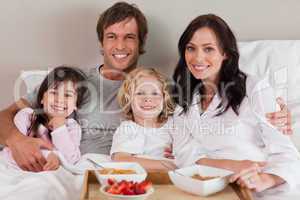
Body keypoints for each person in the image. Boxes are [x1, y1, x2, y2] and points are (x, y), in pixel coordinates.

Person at [0, 1, 292, 172]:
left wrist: (274, 116)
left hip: (138, 174)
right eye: (112, 36)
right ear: (101, 43)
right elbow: (5, 115)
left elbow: (208, 120)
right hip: (81, 169)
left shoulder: (163, 88)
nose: (120, 46)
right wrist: (17, 140)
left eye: (130, 37)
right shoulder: (71, 82)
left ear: (141, 44)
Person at [172, 14, 300, 197]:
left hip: (257, 189)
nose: (198, 58)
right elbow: (185, 156)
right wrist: (233, 166)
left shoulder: (255, 88)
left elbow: (287, 154)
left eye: (208, 49)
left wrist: (266, 179)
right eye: (191, 48)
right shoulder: (182, 99)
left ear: (225, 53)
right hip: (206, 188)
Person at [0, 66, 88, 171]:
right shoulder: (27, 116)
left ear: (75, 105)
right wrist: (49, 155)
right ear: (42, 98)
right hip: (13, 170)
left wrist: (59, 127)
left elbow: (72, 159)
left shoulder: (72, 126)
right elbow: (11, 152)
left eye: (67, 95)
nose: (59, 100)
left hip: (47, 176)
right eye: (54, 93)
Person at [110, 68, 179, 171]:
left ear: (164, 99)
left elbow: (186, 151)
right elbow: (120, 159)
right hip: (140, 179)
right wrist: (165, 165)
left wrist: (178, 156)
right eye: (140, 93)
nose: (148, 99)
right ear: (128, 98)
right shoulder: (128, 128)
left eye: (155, 93)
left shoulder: (173, 124)